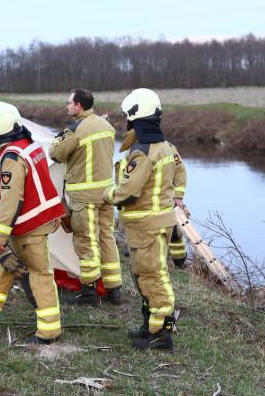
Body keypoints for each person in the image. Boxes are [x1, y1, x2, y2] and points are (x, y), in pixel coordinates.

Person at [0, 102, 65, 344]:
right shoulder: (28, 146)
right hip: (34, 221)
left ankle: (49, 330)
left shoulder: (10, 157)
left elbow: (11, 200)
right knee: (1, 265)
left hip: (27, 226)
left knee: (39, 274)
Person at [102, 88, 186, 351]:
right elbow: (181, 171)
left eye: (128, 116)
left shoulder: (143, 152)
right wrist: (178, 196)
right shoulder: (167, 146)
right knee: (145, 276)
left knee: (152, 277)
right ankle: (149, 326)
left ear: (135, 117)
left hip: (146, 226)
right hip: (157, 222)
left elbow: (127, 191)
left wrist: (107, 195)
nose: (126, 121)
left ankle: (161, 335)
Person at [48, 89, 122, 305]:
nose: (67, 106)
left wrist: (60, 139)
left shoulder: (75, 130)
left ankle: (88, 292)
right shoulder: (106, 126)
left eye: (69, 103)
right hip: (107, 193)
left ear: (78, 105)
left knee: (86, 242)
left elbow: (56, 153)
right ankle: (114, 289)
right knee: (107, 238)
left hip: (83, 196)